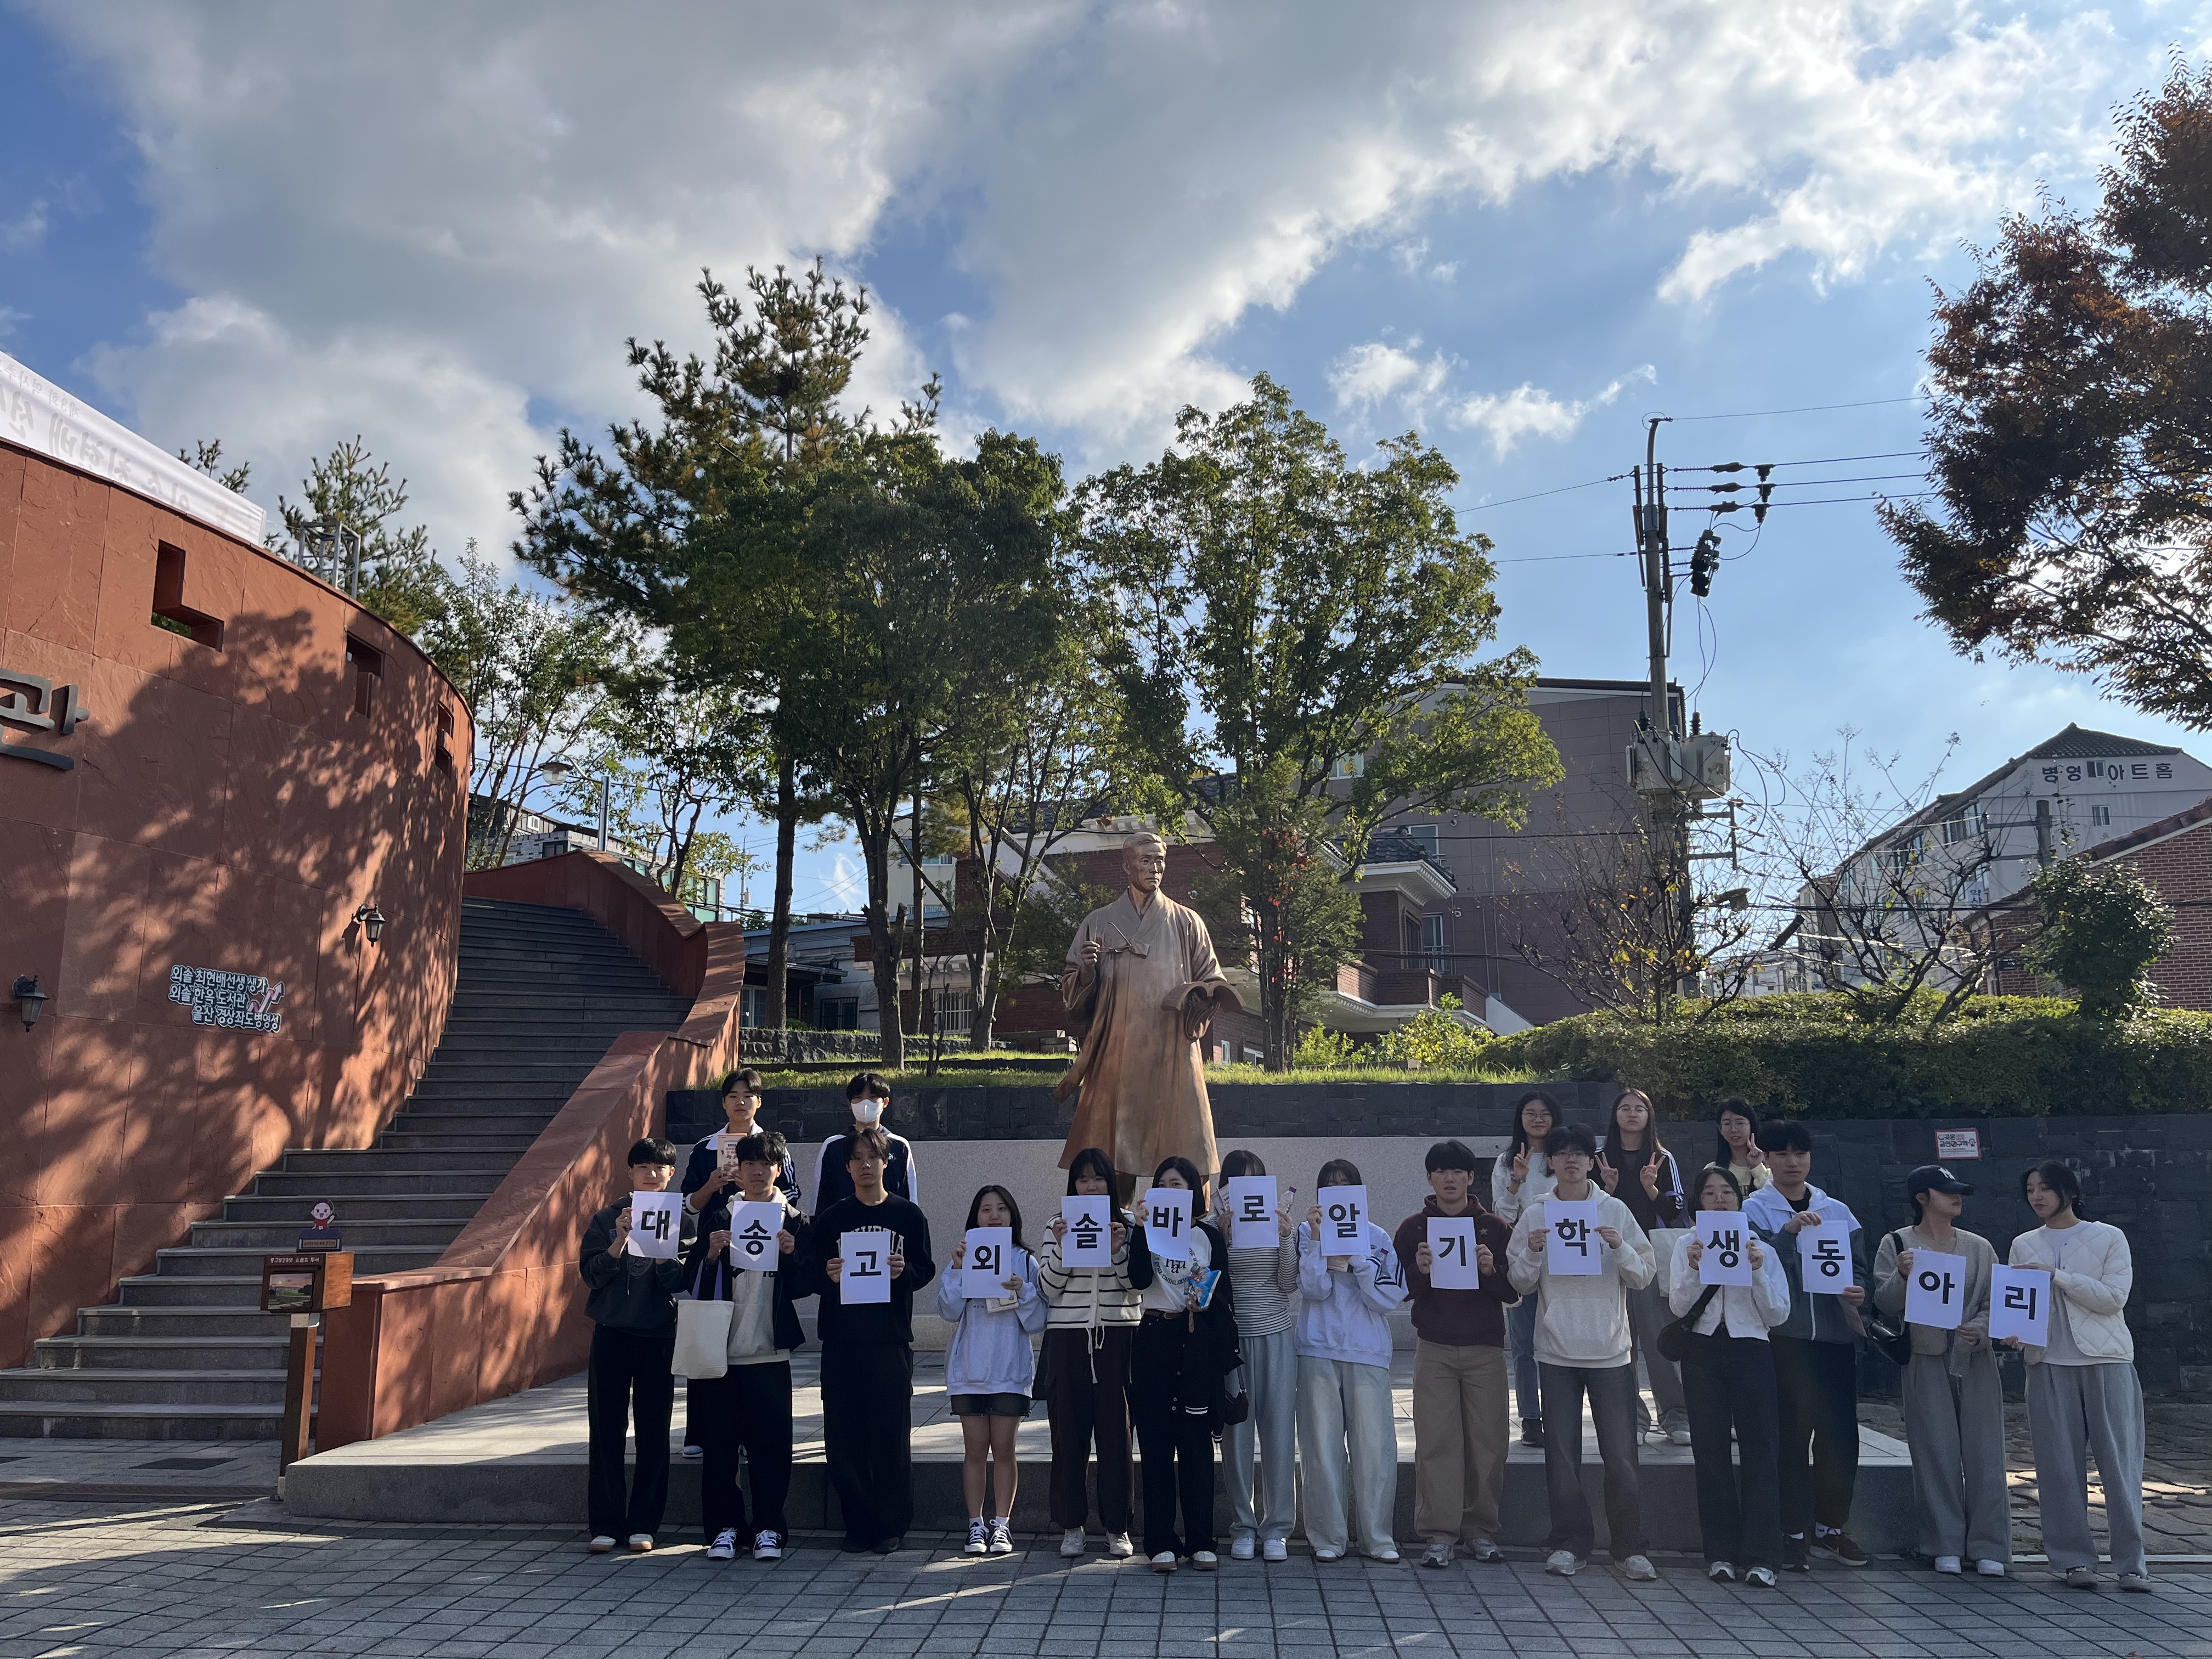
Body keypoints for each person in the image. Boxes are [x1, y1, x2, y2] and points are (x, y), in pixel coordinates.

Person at [1506, 1122, 1658, 1582]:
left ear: (1592, 1162)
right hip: (1555, 1352)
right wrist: (1532, 1253)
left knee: (1621, 1455)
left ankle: (1629, 1547)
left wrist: (1621, 1247)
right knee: (1562, 1455)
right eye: (1561, 1153)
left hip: (1611, 1351)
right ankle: (1571, 1542)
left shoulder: (1614, 1209)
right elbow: (1516, 1284)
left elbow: (1645, 1274)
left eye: (1579, 1153)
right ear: (1548, 1162)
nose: (1571, 1160)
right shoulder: (1536, 1212)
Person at [1053, 831, 1242, 1199]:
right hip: (1117, 1052)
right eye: (1146, 861)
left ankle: (1189, 1230)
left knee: (1183, 1146)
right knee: (1113, 1152)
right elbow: (1073, 998)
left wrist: (1202, 999)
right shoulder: (1099, 922)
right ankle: (1112, 1227)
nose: (1155, 868)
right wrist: (1089, 973)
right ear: (1127, 866)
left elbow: (1212, 977)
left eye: (1160, 860)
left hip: (1172, 1048)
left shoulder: (1187, 922)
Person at [2006, 1159, 2151, 1592]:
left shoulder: (2108, 1237)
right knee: (2057, 1470)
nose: (2037, 1196)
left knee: (2121, 1468)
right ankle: (2072, 1562)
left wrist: (2057, 1275)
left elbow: (2112, 1299)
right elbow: (2020, 1304)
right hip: (2047, 1365)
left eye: (2045, 1188)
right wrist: (2014, 1334)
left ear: (2068, 1192)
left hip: (2106, 1362)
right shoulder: (2022, 1244)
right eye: (2030, 1189)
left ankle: (2132, 1564)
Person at [1742, 1120, 1871, 1570]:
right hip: (1785, 1339)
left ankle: (1832, 1529)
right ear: (1767, 1159)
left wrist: (1857, 1291)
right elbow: (1753, 1268)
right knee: (1790, 1438)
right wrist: (1790, 1234)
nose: (1792, 1162)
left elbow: (1859, 1269)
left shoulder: (1839, 1211)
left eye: (1800, 1154)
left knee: (1840, 1437)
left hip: (1835, 1338)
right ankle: (1791, 1530)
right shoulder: (1754, 1210)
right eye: (1782, 1154)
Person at [682, 1130, 811, 1562]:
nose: (758, 1172)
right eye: (750, 1164)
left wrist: (795, 1255)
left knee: (771, 1444)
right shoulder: (719, 1216)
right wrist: (711, 1256)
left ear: (779, 1169)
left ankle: (769, 1527)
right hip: (722, 1349)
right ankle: (724, 1528)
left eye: (767, 1164)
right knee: (719, 1444)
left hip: (769, 1350)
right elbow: (692, 1280)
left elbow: (804, 1286)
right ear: (738, 1171)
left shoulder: (794, 1220)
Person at [1872, 1165, 2006, 1577]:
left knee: (1986, 1452)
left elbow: (1995, 1301)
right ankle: (1943, 1542)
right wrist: (1902, 1274)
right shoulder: (1897, 1243)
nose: (1957, 1198)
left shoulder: (1979, 1247)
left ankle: (1990, 1545)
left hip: (1975, 1359)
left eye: (1959, 1192)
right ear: (1922, 1198)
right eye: (1947, 1192)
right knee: (1935, 1451)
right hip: (1925, 1357)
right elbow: (1885, 1302)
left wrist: (1980, 1331)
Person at [808, 1126, 935, 1553]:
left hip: (889, 1339)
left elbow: (925, 1268)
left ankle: (891, 1525)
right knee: (844, 1436)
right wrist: (827, 1277)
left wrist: (905, 1274)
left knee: (890, 1435)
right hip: (842, 1341)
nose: (865, 1164)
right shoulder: (832, 1219)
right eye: (857, 1159)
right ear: (846, 1167)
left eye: (873, 1157)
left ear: (887, 1163)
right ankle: (857, 1523)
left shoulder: (908, 1216)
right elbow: (811, 1274)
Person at [1395, 1139, 1518, 1568]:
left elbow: (1513, 1291)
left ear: (1470, 1177)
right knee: (1435, 1441)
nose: (1450, 1179)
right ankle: (1439, 1533)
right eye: (1441, 1171)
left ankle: (1481, 1530)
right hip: (1435, 1347)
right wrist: (1419, 1270)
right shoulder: (1414, 1229)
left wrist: (1490, 1272)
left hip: (1484, 1348)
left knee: (1489, 1443)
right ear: (1429, 1178)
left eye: (1458, 1171)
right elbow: (1397, 1289)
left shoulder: (1496, 1228)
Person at [1669, 1164, 1789, 1587]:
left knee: (1761, 1447)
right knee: (1710, 1449)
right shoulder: (1686, 1244)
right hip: (1702, 1351)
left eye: (1727, 1193)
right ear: (1698, 1202)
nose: (1719, 1200)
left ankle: (1762, 1555)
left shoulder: (1763, 1248)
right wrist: (1696, 1266)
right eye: (1709, 1193)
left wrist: (1756, 1268)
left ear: (1740, 1200)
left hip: (1751, 1348)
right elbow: (1679, 1308)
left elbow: (1778, 1314)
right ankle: (1719, 1552)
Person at [578, 1137, 693, 1554]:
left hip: (658, 1334)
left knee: (653, 1431)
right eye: (643, 1167)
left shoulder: (681, 1218)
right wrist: (618, 1242)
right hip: (611, 1332)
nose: (651, 1174)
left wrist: (665, 1258)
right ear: (630, 1173)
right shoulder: (607, 1217)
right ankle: (606, 1523)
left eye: (660, 1168)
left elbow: (683, 1282)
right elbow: (591, 1275)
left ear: (671, 1174)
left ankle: (644, 1523)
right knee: (607, 1428)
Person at [1128, 1154, 1240, 1572]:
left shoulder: (1207, 1237)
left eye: (1180, 1184)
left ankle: (1201, 1539)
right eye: (1164, 1184)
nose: (1172, 1191)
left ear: (1194, 1191)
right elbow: (1139, 1280)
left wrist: (1206, 1303)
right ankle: (1159, 1541)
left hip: (1195, 1339)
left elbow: (1223, 1292)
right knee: (1156, 1442)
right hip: (1155, 1336)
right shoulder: (1146, 1231)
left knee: (1195, 1441)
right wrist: (1141, 1231)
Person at [678, 1068, 797, 1460]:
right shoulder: (704, 1148)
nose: (741, 1101)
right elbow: (689, 1205)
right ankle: (700, 1431)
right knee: (711, 1339)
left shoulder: (775, 1147)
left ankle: (750, 1437)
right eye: (733, 1095)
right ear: (724, 1101)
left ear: (759, 1101)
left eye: (749, 1095)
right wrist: (716, 1184)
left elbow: (792, 1195)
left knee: (757, 1346)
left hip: (763, 1254)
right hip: (719, 1245)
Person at [1038, 1146, 1149, 1560]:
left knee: (1116, 1433)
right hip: (1068, 1338)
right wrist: (1065, 1247)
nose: (1090, 1186)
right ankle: (1072, 1525)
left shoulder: (1128, 1227)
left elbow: (1136, 1288)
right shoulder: (1057, 1226)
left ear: (1110, 1182)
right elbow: (1047, 1289)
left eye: (1098, 1178)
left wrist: (1120, 1249)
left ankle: (1118, 1526)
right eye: (1082, 1179)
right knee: (1068, 1433)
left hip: (1118, 1336)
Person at [1295, 1158, 1408, 1564]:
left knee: (1374, 1448)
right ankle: (1328, 1535)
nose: (1338, 1190)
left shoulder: (1377, 1237)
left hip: (1367, 1351)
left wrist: (1357, 1260)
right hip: (1317, 1348)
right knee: (1320, 1448)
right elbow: (1312, 1290)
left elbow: (1387, 1298)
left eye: (1346, 1184)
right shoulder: (1308, 1234)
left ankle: (1377, 1537)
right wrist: (1318, 1245)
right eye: (1330, 1185)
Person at [936, 1184, 1047, 1558]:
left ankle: (1002, 1525)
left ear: (1013, 1216)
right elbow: (949, 1311)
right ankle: (975, 1524)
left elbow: (1036, 1322)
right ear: (975, 1217)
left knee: (1004, 1450)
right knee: (973, 1451)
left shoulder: (1025, 1260)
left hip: (1009, 1367)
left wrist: (1023, 1292)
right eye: (986, 1209)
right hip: (970, 1367)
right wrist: (956, 1268)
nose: (994, 1215)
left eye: (1002, 1208)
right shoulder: (965, 1255)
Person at [1214, 1148, 1300, 1562]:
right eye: (1238, 1179)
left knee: (1280, 1429)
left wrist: (1286, 1238)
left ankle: (1278, 1527)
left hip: (1277, 1334)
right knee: (1237, 1434)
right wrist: (1223, 1237)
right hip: (1233, 1338)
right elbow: (1211, 1284)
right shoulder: (1214, 1226)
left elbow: (1288, 1283)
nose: (1247, 1188)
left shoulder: (1280, 1223)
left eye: (1256, 1179)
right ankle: (1243, 1525)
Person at [1596, 1087, 1689, 1444]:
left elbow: (1676, 1211)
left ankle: (1676, 1416)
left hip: (1649, 1258)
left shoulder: (1662, 1157)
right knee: (1619, 1342)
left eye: (1640, 1108)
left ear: (1650, 1115)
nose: (1632, 1113)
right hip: (1608, 1258)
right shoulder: (1600, 1157)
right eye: (1625, 1107)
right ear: (1615, 1114)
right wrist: (1608, 1189)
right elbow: (1587, 1209)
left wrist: (1651, 1189)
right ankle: (1630, 1418)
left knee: (1656, 1338)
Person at [1492, 1090, 1559, 1447]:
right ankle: (1531, 1418)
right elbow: (1501, 1216)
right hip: (1522, 1261)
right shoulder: (1505, 1162)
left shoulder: (1564, 1158)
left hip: (1563, 1262)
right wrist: (1516, 1181)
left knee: (1560, 1342)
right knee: (1523, 1345)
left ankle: (1559, 1413)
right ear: (1520, 1118)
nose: (1537, 1119)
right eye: (1530, 1113)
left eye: (1544, 1113)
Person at [812, 1073, 919, 1216]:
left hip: (889, 1230)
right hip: (844, 1230)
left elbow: (910, 1198)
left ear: (885, 1102)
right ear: (850, 1104)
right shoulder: (833, 1146)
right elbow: (820, 1199)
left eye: (873, 1098)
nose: (865, 1104)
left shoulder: (899, 1146)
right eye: (858, 1098)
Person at [1713, 1099, 1771, 1195]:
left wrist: (1757, 1167)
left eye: (1740, 1123)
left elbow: (1776, 1196)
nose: (1734, 1130)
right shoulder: (1713, 1169)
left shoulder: (1772, 1166)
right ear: (1720, 1129)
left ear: (1752, 1125)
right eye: (1727, 1124)